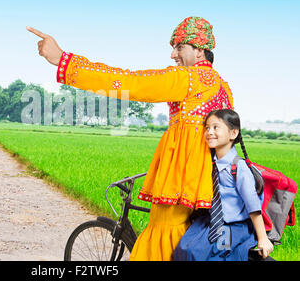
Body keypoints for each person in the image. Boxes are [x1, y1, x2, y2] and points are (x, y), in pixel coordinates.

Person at [27, 16, 234, 260]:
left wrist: (64, 60)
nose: (173, 55)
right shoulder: (221, 86)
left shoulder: (189, 79)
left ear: (200, 51)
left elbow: (129, 82)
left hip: (180, 181)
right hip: (206, 184)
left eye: (179, 47)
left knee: (163, 235)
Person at [173, 109, 273, 260]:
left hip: (231, 226)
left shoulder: (239, 168)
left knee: (219, 254)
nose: (209, 132)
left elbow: (253, 206)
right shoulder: (209, 163)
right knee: (185, 250)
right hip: (210, 222)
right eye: (207, 128)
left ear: (233, 133)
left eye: (215, 127)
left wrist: (263, 238)